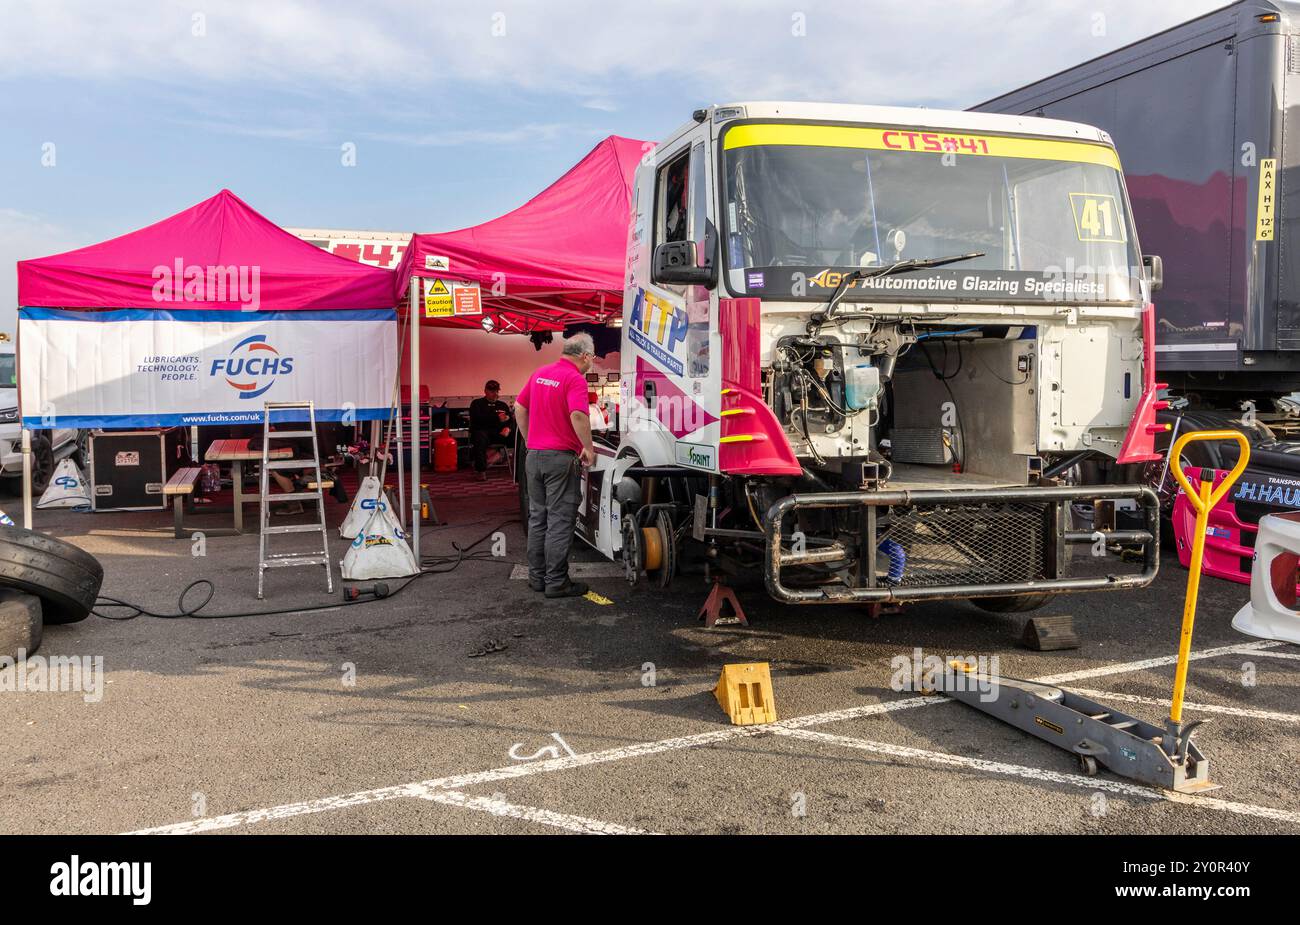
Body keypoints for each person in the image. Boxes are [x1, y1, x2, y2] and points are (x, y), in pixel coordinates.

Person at [514, 332, 596, 599]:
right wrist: (589, 447)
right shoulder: (574, 379)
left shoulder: (541, 373)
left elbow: (519, 406)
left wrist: (530, 440)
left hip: (534, 456)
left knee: (538, 518)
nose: (591, 363)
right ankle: (557, 582)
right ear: (584, 356)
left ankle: (537, 578)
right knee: (560, 520)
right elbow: (578, 415)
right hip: (560, 458)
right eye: (592, 358)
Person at [468, 379, 515, 480]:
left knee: (519, 433)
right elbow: (477, 420)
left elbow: (511, 420)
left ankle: (518, 466)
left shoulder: (502, 405)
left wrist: (508, 428)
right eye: (492, 391)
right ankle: (481, 471)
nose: (495, 394)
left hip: (500, 434)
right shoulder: (477, 403)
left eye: (497, 391)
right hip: (483, 433)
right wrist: (497, 417)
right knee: (479, 436)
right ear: (485, 391)